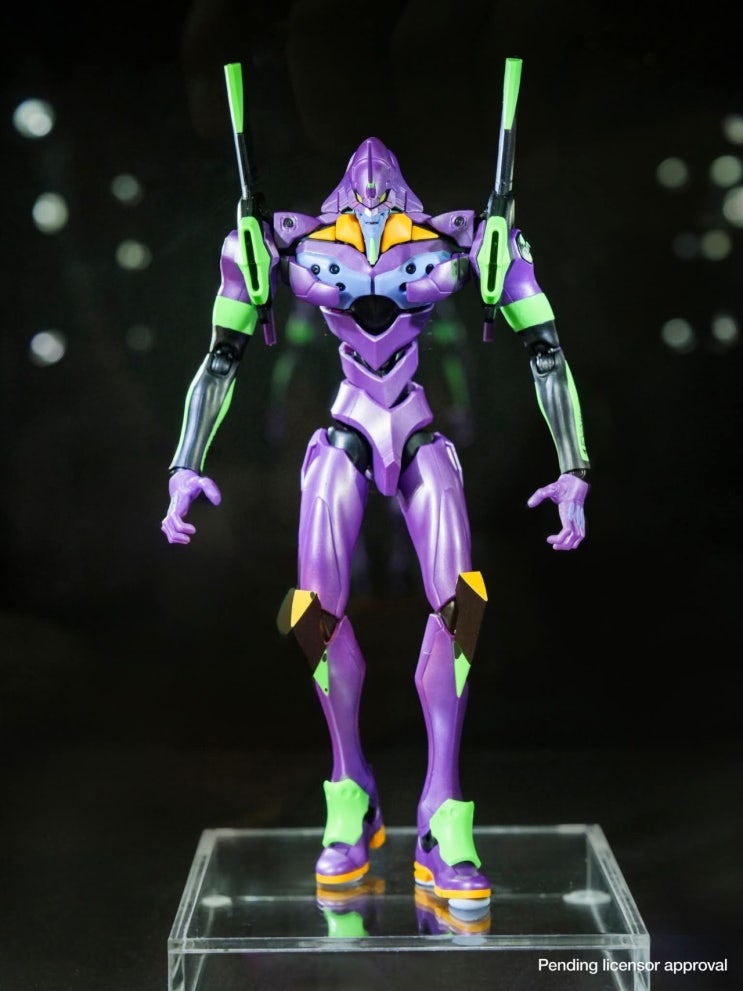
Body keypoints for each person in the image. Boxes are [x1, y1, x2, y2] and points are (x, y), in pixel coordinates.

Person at [162, 120, 590, 913]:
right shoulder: (282, 241)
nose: (369, 166)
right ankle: (349, 793)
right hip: (345, 425)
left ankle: (443, 816)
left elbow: (545, 347)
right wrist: (185, 463)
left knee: (461, 604)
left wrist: (574, 467)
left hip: (419, 428)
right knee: (312, 609)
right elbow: (221, 354)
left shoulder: (463, 237)